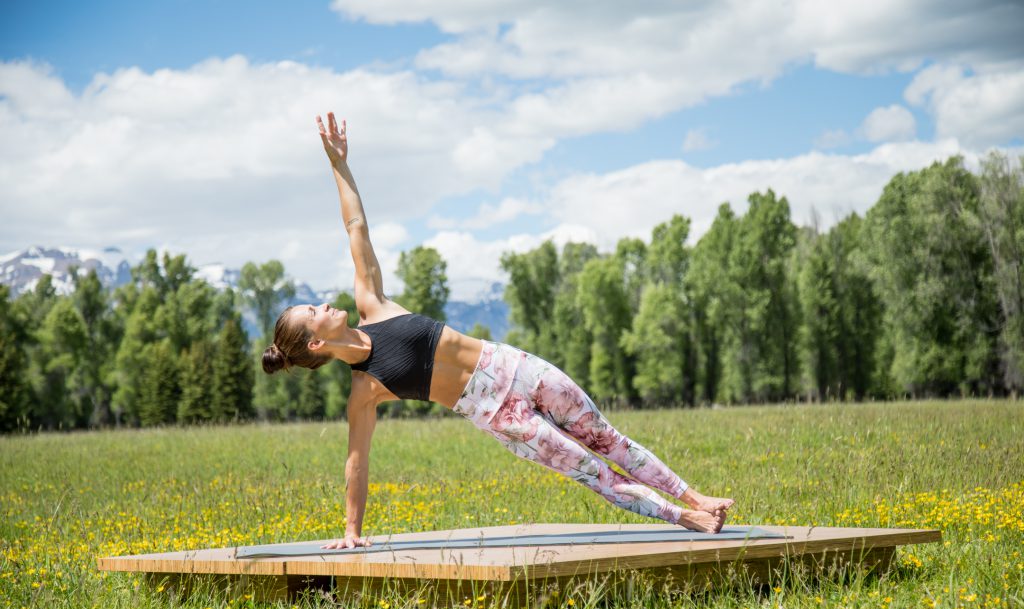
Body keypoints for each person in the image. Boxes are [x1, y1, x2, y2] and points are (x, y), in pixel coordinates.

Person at [262, 112, 735, 550]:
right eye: (313, 309)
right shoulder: (365, 389)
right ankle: (683, 518)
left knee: (609, 441)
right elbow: (356, 461)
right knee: (592, 471)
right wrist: (351, 531)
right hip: (499, 415)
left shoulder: (373, 302)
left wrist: (339, 164)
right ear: (315, 342)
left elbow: (355, 225)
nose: (323, 302)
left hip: (515, 366)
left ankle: (697, 498)